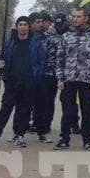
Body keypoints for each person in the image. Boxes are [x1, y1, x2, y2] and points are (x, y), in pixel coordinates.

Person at [0, 17, 46, 149]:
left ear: (29, 26)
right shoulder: (9, 42)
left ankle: (20, 136)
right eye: (20, 25)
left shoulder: (36, 42)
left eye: (25, 25)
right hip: (12, 81)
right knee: (5, 110)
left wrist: (36, 77)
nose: (22, 27)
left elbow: (42, 60)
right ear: (17, 27)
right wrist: (1, 63)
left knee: (24, 110)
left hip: (29, 81)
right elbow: (3, 57)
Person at [54, 7, 90, 151]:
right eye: (74, 16)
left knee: (87, 111)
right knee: (68, 110)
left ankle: (87, 140)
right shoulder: (66, 36)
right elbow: (60, 58)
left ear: (86, 18)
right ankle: (64, 138)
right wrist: (59, 78)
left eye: (79, 16)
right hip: (68, 79)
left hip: (87, 79)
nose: (75, 19)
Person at [33, 11, 60, 143]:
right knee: (37, 101)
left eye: (44, 21)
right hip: (36, 74)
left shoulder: (53, 37)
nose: (42, 24)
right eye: (39, 22)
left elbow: (55, 56)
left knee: (48, 101)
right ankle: (36, 123)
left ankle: (45, 124)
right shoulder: (35, 36)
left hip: (50, 74)